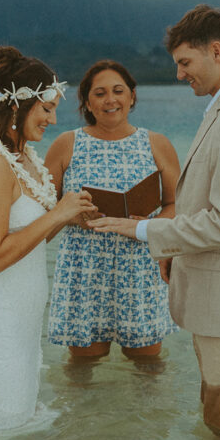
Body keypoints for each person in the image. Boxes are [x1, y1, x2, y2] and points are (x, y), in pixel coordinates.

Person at [90, 6, 220, 433]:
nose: (179, 75)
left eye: (184, 63)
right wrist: (173, 250)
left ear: (216, 52)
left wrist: (143, 229)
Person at [0, 45, 96, 432]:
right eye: (46, 108)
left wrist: (68, 218)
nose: (53, 118)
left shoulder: (26, 160)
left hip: (21, 329)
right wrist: (58, 212)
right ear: (18, 104)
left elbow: (28, 244)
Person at [45, 59, 181, 361]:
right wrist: (76, 216)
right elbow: (44, 207)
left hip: (140, 266)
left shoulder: (157, 143)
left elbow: (175, 204)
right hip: (83, 267)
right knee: (82, 367)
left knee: (148, 366)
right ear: (87, 102)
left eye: (118, 91)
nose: (110, 100)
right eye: (100, 93)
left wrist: (149, 225)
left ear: (132, 96)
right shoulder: (66, 144)